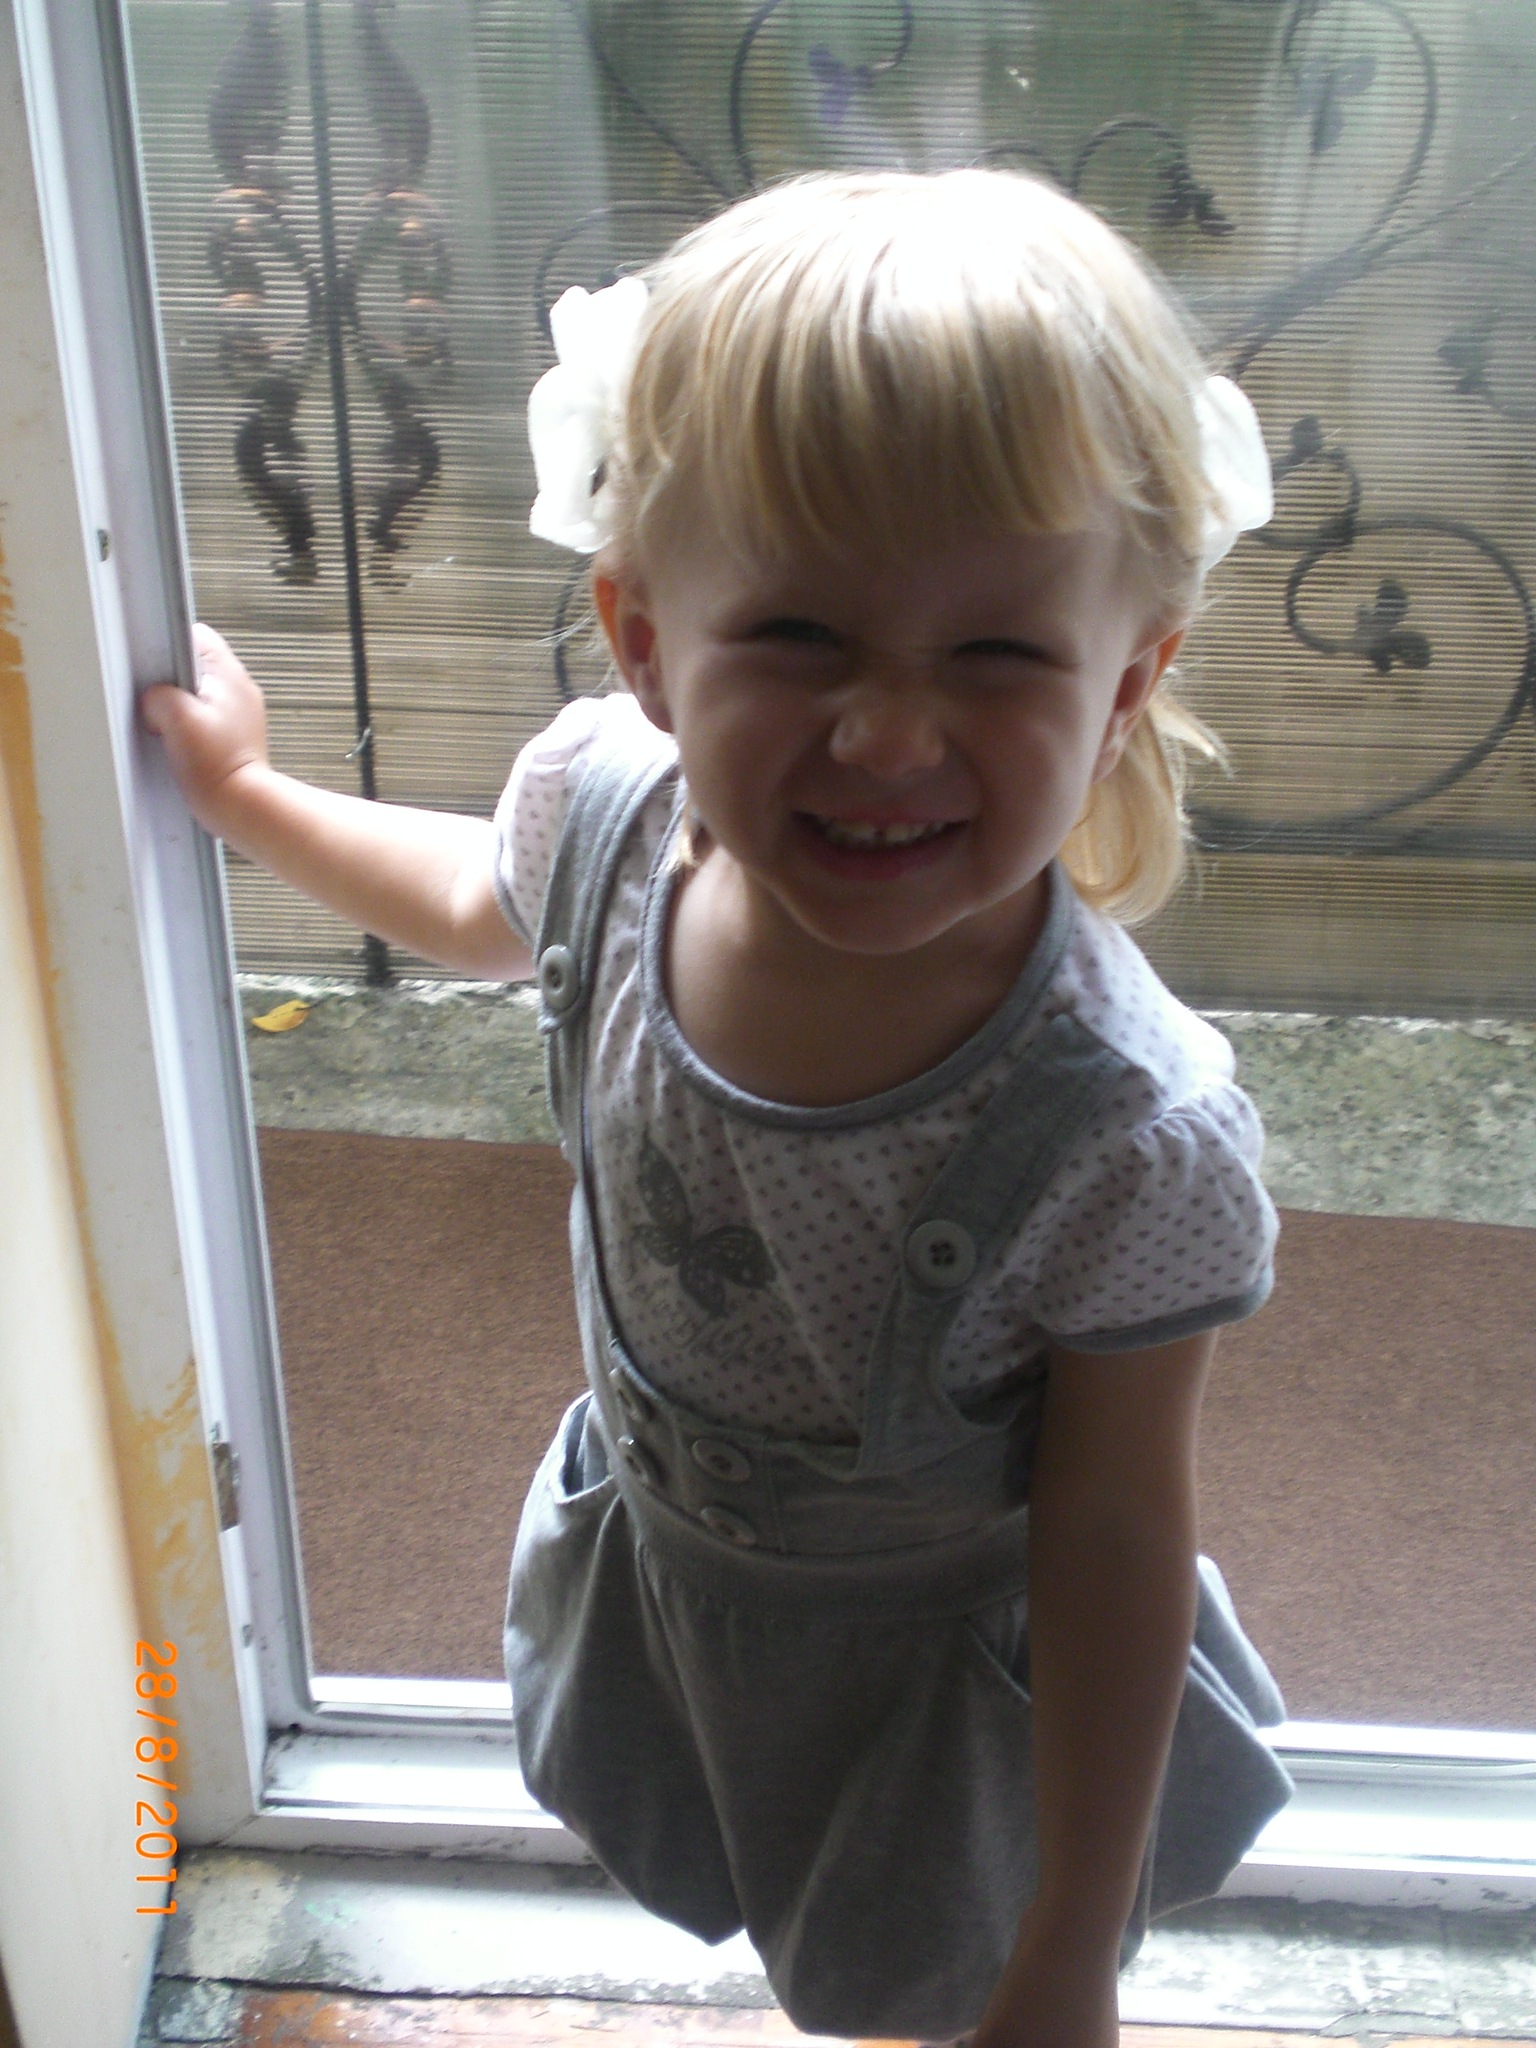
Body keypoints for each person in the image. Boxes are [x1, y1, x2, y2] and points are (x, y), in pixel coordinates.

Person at [143, 168, 1292, 2048]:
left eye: (996, 654)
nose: (888, 733)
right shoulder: (603, 812)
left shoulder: (1126, 1138)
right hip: (682, 1579)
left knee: (920, 1979)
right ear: (644, 642)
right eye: (799, 635)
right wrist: (247, 799)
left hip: (928, 1693)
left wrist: (1069, 1951)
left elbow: (1114, 1545)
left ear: (1127, 679)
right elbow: (472, 898)